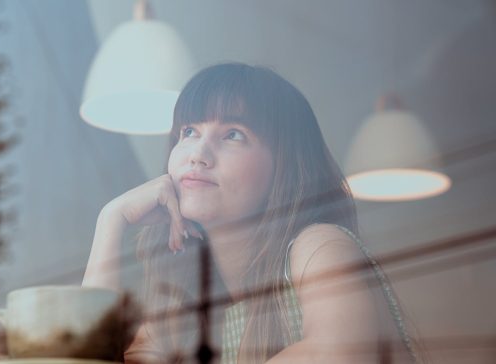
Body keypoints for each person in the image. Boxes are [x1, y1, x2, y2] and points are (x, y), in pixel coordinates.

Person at [83, 63, 420, 363]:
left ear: (283, 164)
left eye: (233, 134)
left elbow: (336, 353)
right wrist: (111, 220)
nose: (198, 154)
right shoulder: (183, 301)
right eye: (189, 132)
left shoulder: (317, 247)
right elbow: (89, 360)